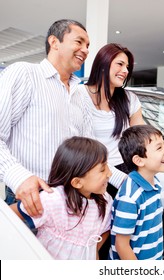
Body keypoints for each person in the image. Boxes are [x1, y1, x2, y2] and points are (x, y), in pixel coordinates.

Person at [0, 20, 126, 217]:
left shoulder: (79, 94)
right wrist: (18, 177)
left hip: (71, 199)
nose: (85, 50)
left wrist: (125, 182)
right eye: (79, 42)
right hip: (31, 197)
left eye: (88, 46)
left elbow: (90, 154)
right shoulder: (25, 74)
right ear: (54, 42)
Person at [78, 43, 164, 179]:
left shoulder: (129, 99)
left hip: (125, 169)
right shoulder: (79, 95)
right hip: (91, 172)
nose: (125, 71)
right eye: (120, 64)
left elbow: (144, 139)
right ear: (103, 64)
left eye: (127, 67)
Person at [10, 136, 113, 260]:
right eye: (102, 169)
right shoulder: (53, 199)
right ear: (77, 182)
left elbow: (105, 230)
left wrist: (93, 250)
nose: (109, 173)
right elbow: (8, 214)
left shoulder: (105, 201)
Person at [109, 124, 164, 260]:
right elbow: (121, 245)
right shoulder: (130, 197)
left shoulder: (155, 182)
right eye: (159, 148)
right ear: (139, 160)